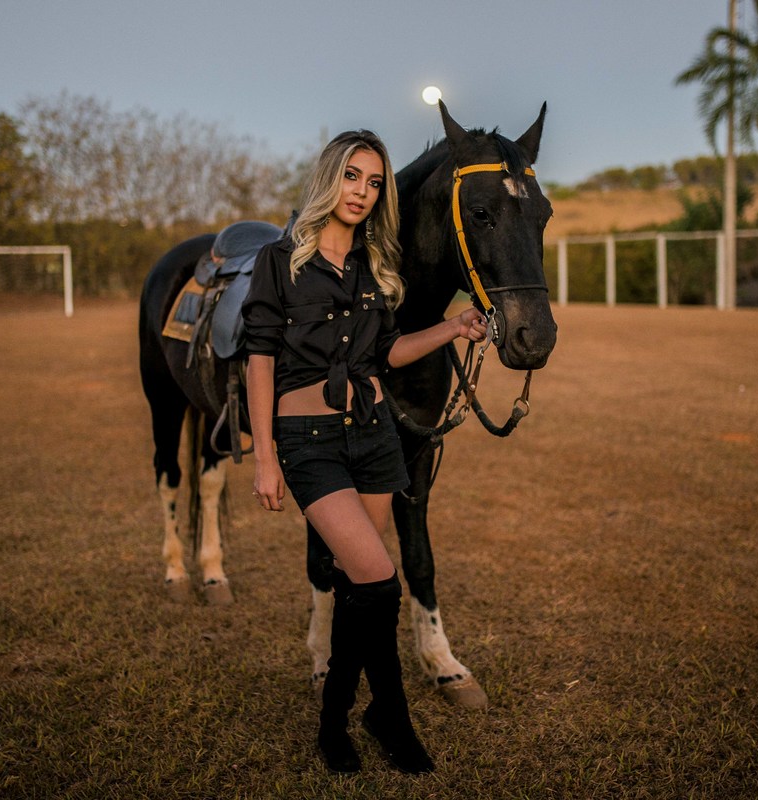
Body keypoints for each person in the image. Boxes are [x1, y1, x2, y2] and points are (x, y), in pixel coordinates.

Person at [241, 129, 487, 775]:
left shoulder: (377, 266)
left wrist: (453, 326)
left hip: (375, 438)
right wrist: (264, 457)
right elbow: (259, 357)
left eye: (375, 182)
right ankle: (390, 715)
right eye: (352, 176)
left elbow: (387, 354)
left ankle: (340, 720)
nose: (362, 191)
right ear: (330, 177)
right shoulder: (280, 260)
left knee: (362, 586)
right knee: (379, 579)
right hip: (309, 441)